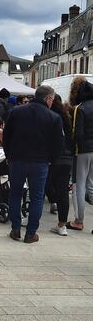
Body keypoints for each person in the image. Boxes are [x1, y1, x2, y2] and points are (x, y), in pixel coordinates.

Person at [3, 85, 63, 243]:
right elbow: (58, 144)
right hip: (40, 162)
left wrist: (9, 155)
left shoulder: (16, 111)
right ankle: (31, 233)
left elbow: (6, 135)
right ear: (48, 99)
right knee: (37, 197)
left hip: (17, 159)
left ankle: (15, 229)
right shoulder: (54, 117)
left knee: (15, 194)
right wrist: (51, 159)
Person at [45, 94, 73, 236]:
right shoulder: (66, 117)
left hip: (53, 158)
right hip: (67, 158)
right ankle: (62, 225)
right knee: (63, 192)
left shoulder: (49, 117)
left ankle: (31, 219)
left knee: (40, 188)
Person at [68, 77, 93, 230]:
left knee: (80, 185)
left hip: (82, 150)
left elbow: (78, 133)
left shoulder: (80, 108)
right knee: (91, 185)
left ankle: (79, 220)